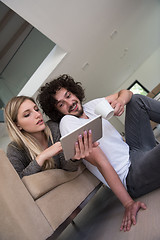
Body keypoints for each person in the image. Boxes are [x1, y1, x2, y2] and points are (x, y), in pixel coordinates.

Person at [37, 74, 160, 232]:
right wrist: (128, 203)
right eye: (62, 104)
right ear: (58, 111)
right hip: (130, 175)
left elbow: (125, 93)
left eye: (68, 96)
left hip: (134, 151)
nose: (70, 103)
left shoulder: (91, 106)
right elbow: (101, 162)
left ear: (74, 92)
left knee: (136, 100)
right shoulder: (68, 123)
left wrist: (121, 101)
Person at [4, 95, 96, 179]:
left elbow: (67, 169)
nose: (38, 115)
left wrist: (74, 158)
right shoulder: (15, 149)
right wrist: (42, 157)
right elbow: (19, 183)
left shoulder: (54, 128)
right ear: (17, 125)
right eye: (27, 114)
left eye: (36, 109)